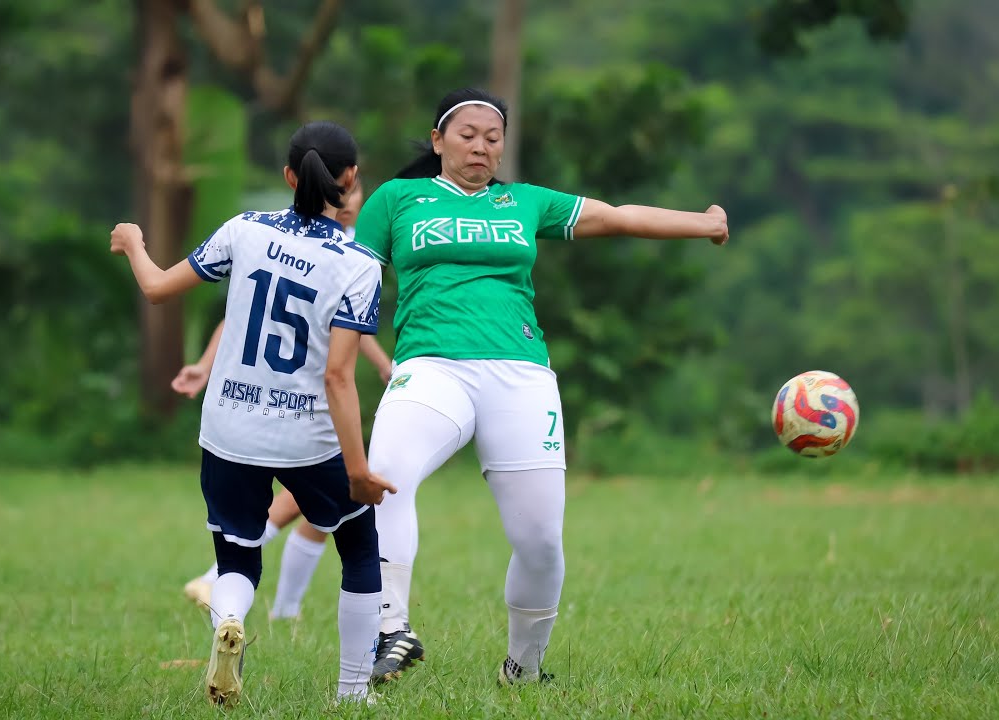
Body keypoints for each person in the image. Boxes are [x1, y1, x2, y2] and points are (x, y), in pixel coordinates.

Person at [351, 88, 729, 685]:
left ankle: (523, 668)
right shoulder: (398, 199)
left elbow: (618, 215)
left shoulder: (523, 202)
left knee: (541, 543)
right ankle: (391, 628)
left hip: (521, 377)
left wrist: (704, 224)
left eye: (493, 137)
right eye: (467, 134)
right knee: (385, 480)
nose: (481, 146)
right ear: (437, 141)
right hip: (430, 369)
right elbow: (350, 281)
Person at [110, 120, 395, 705]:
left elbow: (160, 288)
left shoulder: (245, 230)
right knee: (361, 548)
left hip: (228, 429)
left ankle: (228, 623)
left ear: (289, 177)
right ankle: (350, 694)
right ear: (351, 180)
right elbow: (339, 375)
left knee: (236, 555)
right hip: (309, 440)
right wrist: (358, 467)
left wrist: (135, 243)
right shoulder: (360, 264)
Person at [174, 183, 392, 616]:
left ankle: (264, 604)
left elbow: (244, 313)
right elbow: (345, 345)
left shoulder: (265, 234)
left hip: (237, 419)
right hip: (303, 413)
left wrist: (204, 364)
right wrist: (386, 365)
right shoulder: (352, 257)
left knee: (307, 515)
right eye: (348, 187)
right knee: (343, 516)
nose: (352, 198)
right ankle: (234, 586)